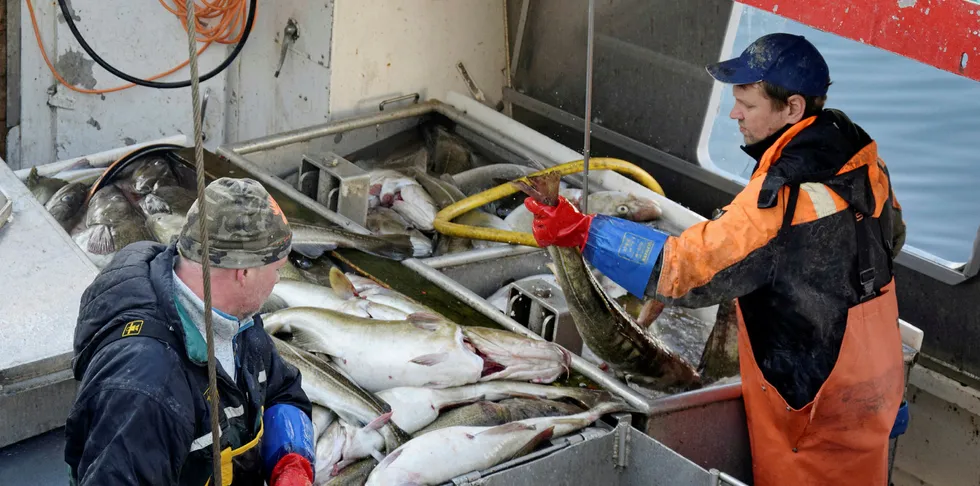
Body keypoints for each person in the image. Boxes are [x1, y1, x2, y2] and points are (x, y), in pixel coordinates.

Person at [525, 33, 907, 485]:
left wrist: (581, 231)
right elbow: (892, 238)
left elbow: (678, 270)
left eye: (747, 103)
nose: (734, 113)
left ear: (793, 109)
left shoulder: (781, 199)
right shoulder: (859, 157)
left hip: (814, 399)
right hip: (874, 368)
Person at [65, 177, 316, 486]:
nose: (277, 281)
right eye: (276, 269)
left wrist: (292, 460)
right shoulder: (145, 389)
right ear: (245, 272)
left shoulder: (239, 324)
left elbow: (282, 390)